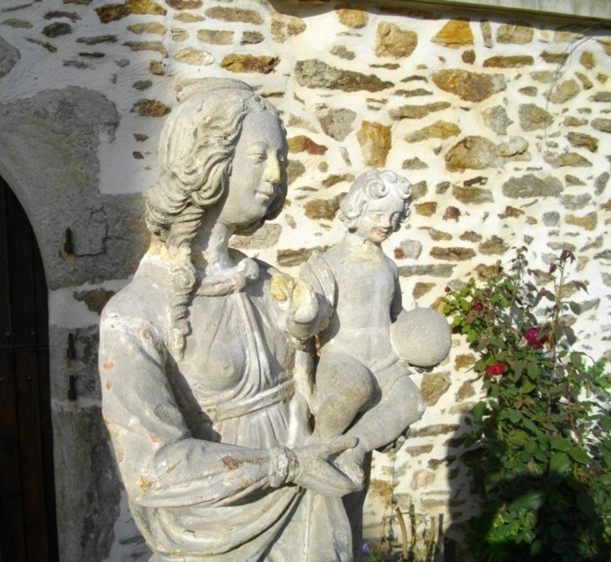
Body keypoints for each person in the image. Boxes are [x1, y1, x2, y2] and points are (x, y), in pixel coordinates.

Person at [99, 78, 364, 562]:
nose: (276, 174)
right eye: (259, 156)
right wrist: (285, 466)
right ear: (209, 162)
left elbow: (315, 393)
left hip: (311, 509)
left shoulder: (271, 284)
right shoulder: (134, 314)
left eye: (281, 158)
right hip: (220, 524)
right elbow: (154, 468)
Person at [312, 170, 430, 468]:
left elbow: (396, 315)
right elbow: (307, 325)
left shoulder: (388, 267)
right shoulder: (329, 264)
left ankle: (355, 447)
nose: (386, 224)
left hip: (385, 361)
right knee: (356, 389)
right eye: (378, 214)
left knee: (413, 401)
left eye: (394, 216)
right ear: (356, 209)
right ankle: (316, 448)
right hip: (343, 359)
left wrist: (416, 347)